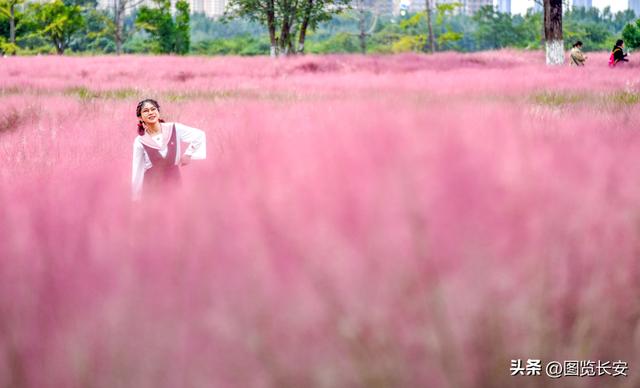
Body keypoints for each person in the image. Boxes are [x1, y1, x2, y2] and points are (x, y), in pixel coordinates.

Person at [131, 99, 206, 200]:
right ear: (140, 117)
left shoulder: (174, 128)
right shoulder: (140, 141)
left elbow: (199, 135)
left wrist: (188, 153)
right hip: (152, 186)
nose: (150, 112)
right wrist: (135, 198)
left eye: (153, 109)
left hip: (174, 181)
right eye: (146, 111)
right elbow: (137, 170)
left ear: (158, 112)